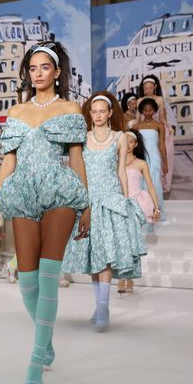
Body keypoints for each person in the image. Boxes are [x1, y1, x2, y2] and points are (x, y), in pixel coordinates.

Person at [0, 41, 90, 384]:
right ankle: (45, 339)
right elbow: (8, 161)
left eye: (44, 67)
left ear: (57, 71)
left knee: (48, 277)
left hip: (60, 191)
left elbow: (77, 159)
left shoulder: (70, 109)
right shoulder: (16, 113)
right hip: (22, 192)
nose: (38, 74)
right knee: (26, 281)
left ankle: (36, 358)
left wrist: (86, 202)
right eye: (32, 68)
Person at [61, 93, 146, 331]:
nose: (98, 115)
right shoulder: (83, 139)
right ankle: (99, 306)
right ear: (91, 114)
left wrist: (126, 201)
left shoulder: (120, 138)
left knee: (106, 256)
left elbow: (121, 171)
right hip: (88, 201)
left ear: (110, 113)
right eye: (94, 111)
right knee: (93, 256)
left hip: (110, 199)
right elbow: (76, 170)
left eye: (102, 111)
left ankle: (104, 306)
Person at [121, 130, 161, 293]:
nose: (129, 144)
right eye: (126, 141)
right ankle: (122, 277)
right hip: (119, 204)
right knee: (121, 242)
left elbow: (150, 186)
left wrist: (156, 207)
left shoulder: (141, 163)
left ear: (136, 144)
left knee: (131, 242)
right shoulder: (116, 161)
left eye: (132, 142)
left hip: (136, 204)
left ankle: (129, 278)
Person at [132, 97, 166, 221]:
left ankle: (157, 210)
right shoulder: (136, 126)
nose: (148, 113)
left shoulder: (159, 125)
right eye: (145, 111)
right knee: (141, 185)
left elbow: (162, 145)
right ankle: (144, 212)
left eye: (151, 111)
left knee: (155, 184)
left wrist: (165, 163)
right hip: (141, 159)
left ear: (154, 111)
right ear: (141, 111)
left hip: (155, 158)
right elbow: (132, 146)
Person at [139, 74, 173, 193]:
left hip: (157, 128)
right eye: (145, 88)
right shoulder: (140, 100)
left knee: (163, 151)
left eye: (150, 87)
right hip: (144, 130)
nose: (148, 90)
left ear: (155, 87)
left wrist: (168, 126)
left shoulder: (159, 99)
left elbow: (163, 117)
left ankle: (162, 183)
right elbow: (138, 120)